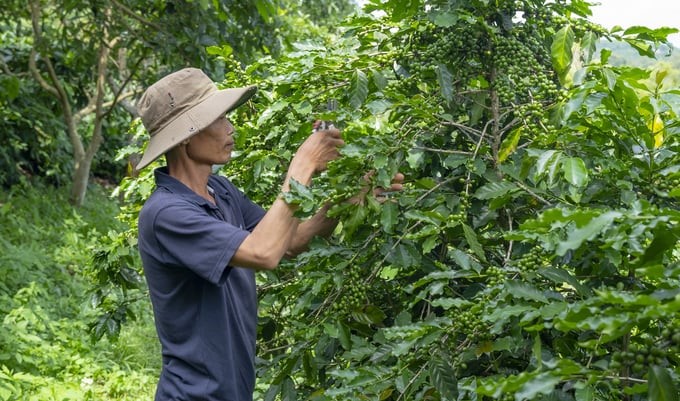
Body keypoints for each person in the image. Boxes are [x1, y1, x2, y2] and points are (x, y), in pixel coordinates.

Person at [135, 67, 402, 401]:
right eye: (219, 119)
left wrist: (348, 200)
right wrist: (303, 164)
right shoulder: (166, 214)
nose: (230, 127)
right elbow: (264, 253)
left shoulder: (220, 190)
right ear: (188, 133)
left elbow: (290, 242)